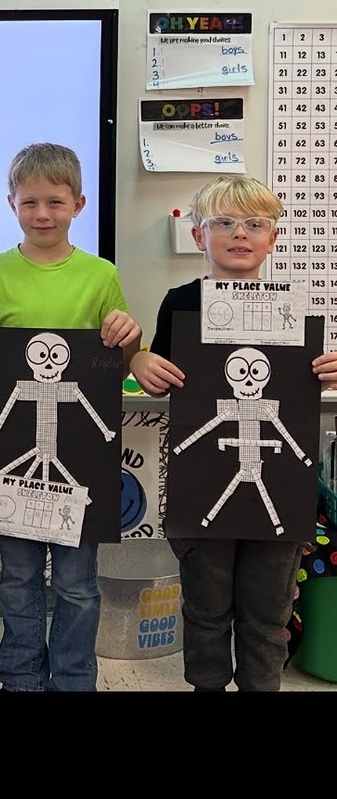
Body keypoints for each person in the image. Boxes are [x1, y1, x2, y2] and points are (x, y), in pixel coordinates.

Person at [130, 173, 337, 691]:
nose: (239, 234)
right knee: (205, 610)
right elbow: (161, 374)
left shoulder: (294, 307)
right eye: (223, 223)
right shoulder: (181, 302)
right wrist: (140, 361)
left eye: (254, 224)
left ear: (272, 238)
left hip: (282, 491)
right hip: (202, 489)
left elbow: (310, 382)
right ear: (199, 236)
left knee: (267, 614)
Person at [0, 141, 141, 692]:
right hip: (10, 453)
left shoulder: (101, 274)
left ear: (80, 205)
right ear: (10, 202)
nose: (42, 214)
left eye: (55, 203)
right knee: (17, 578)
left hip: (82, 456)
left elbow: (118, 356)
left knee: (79, 584)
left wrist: (128, 336)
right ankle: (20, 681)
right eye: (30, 202)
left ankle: (76, 680)